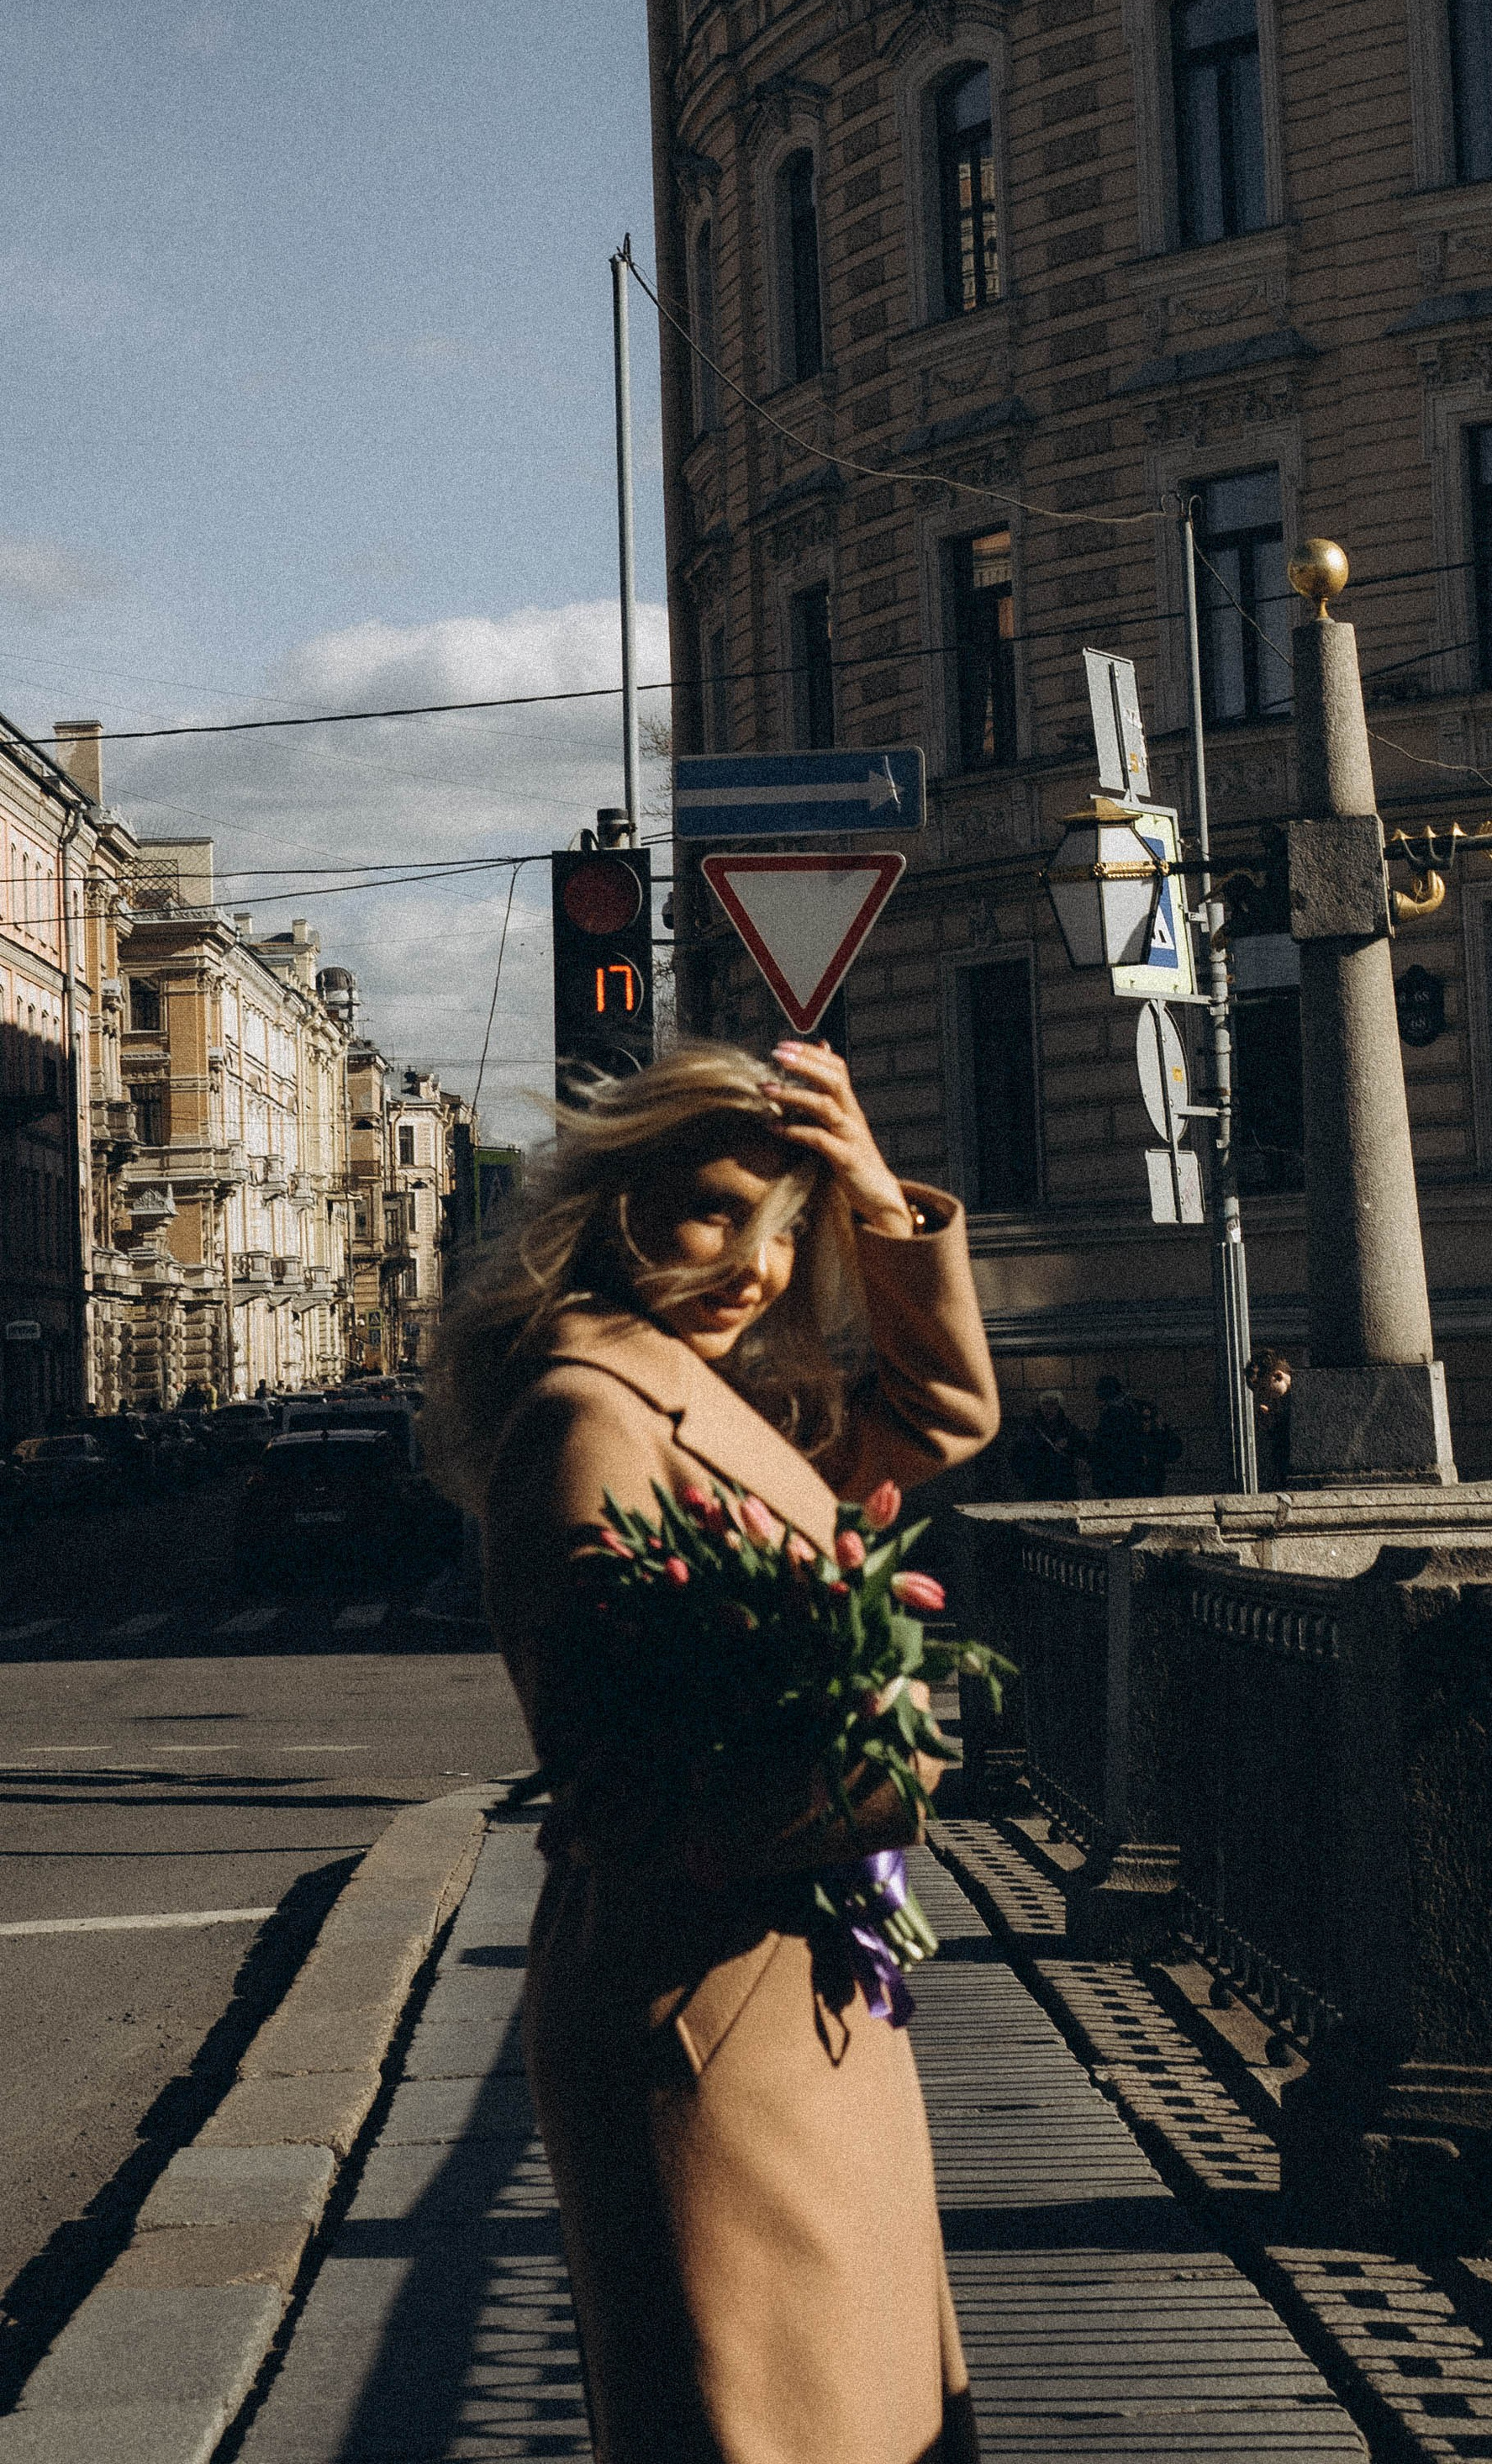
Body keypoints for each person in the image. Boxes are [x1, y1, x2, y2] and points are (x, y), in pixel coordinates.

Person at [424, 1038, 998, 2464]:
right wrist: (882, 1761)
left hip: (783, 1996)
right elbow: (618, 1785)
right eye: (717, 1213)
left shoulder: (705, 1390)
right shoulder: (587, 1419)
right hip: (706, 2020)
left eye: (788, 1232)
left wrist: (877, 1196)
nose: (758, 1264)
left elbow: (940, 1413)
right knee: (761, 2423)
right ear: (619, 1212)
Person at [1004, 1390, 1088, 1498]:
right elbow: (1017, 1455)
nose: (1049, 1408)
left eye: (1053, 1404)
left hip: (1063, 1482)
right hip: (1040, 1483)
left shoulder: (1069, 1428)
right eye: (1045, 1404)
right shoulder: (1031, 1428)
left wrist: (1069, 1444)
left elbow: (1084, 1448)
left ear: (1059, 1406)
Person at [1089, 1374, 1147, 1497]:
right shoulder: (1131, 1409)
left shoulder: (1112, 1415)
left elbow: (1105, 1447)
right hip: (1129, 1473)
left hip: (1116, 1475)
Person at [1249, 1348, 1293, 1483]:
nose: (1264, 1395)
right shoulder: (1279, 1401)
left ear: (1277, 1376)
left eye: (1263, 1389)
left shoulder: (1297, 1396)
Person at [1130, 1396, 1184, 1495]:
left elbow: (1174, 1452)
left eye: (1149, 1419)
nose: (1145, 1423)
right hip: (1130, 1486)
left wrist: (1163, 1429)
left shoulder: (1158, 1437)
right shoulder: (1130, 1437)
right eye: (1142, 1419)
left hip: (1154, 1485)